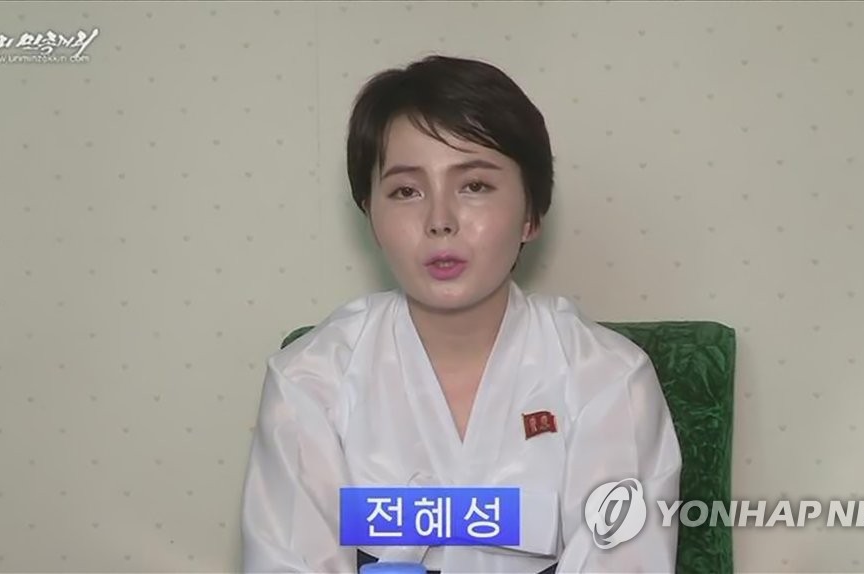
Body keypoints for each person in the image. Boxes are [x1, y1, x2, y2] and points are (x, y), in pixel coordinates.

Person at [241, 54, 682, 574]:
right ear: (372, 217)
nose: (440, 221)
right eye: (406, 191)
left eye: (474, 186)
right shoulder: (311, 380)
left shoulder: (606, 379)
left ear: (531, 214)